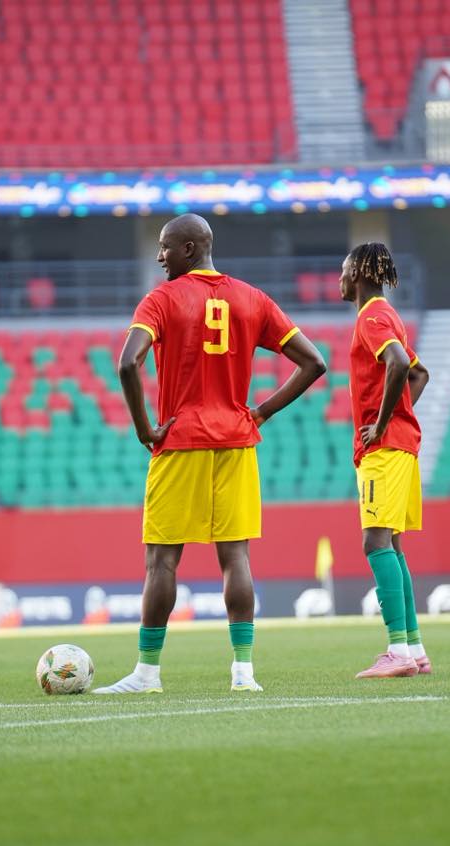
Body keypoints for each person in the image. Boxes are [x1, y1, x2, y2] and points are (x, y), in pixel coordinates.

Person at [95, 214, 326, 694]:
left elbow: (128, 363)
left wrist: (144, 429)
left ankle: (147, 673)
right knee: (236, 556)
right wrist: (260, 412)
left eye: (165, 247)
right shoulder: (252, 298)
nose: (159, 256)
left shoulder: (162, 299)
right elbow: (314, 362)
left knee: (162, 561)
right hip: (237, 441)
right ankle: (244, 672)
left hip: (181, 441)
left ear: (190, 248)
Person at [339, 243, 432, 678]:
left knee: (375, 542)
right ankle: (414, 648)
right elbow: (418, 374)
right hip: (401, 444)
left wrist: (380, 423)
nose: (340, 279)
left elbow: (397, 363)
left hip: (385, 447)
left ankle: (397, 651)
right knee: (392, 544)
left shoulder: (371, 317)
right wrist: (398, 415)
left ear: (358, 274)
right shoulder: (388, 315)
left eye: (344, 271)